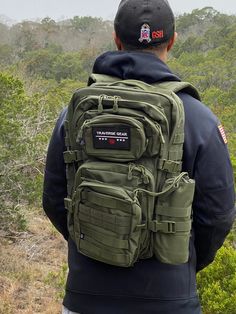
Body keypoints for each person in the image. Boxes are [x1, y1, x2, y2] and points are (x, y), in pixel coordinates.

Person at [43, 0, 236, 313]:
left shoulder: (74, 113)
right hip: (169, 299)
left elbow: (54, 199)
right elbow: (217, 215)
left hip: (86, 295)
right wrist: (178, 261)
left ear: (117, 39)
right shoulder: (199, 118)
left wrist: (97, 239)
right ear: (172, 41)